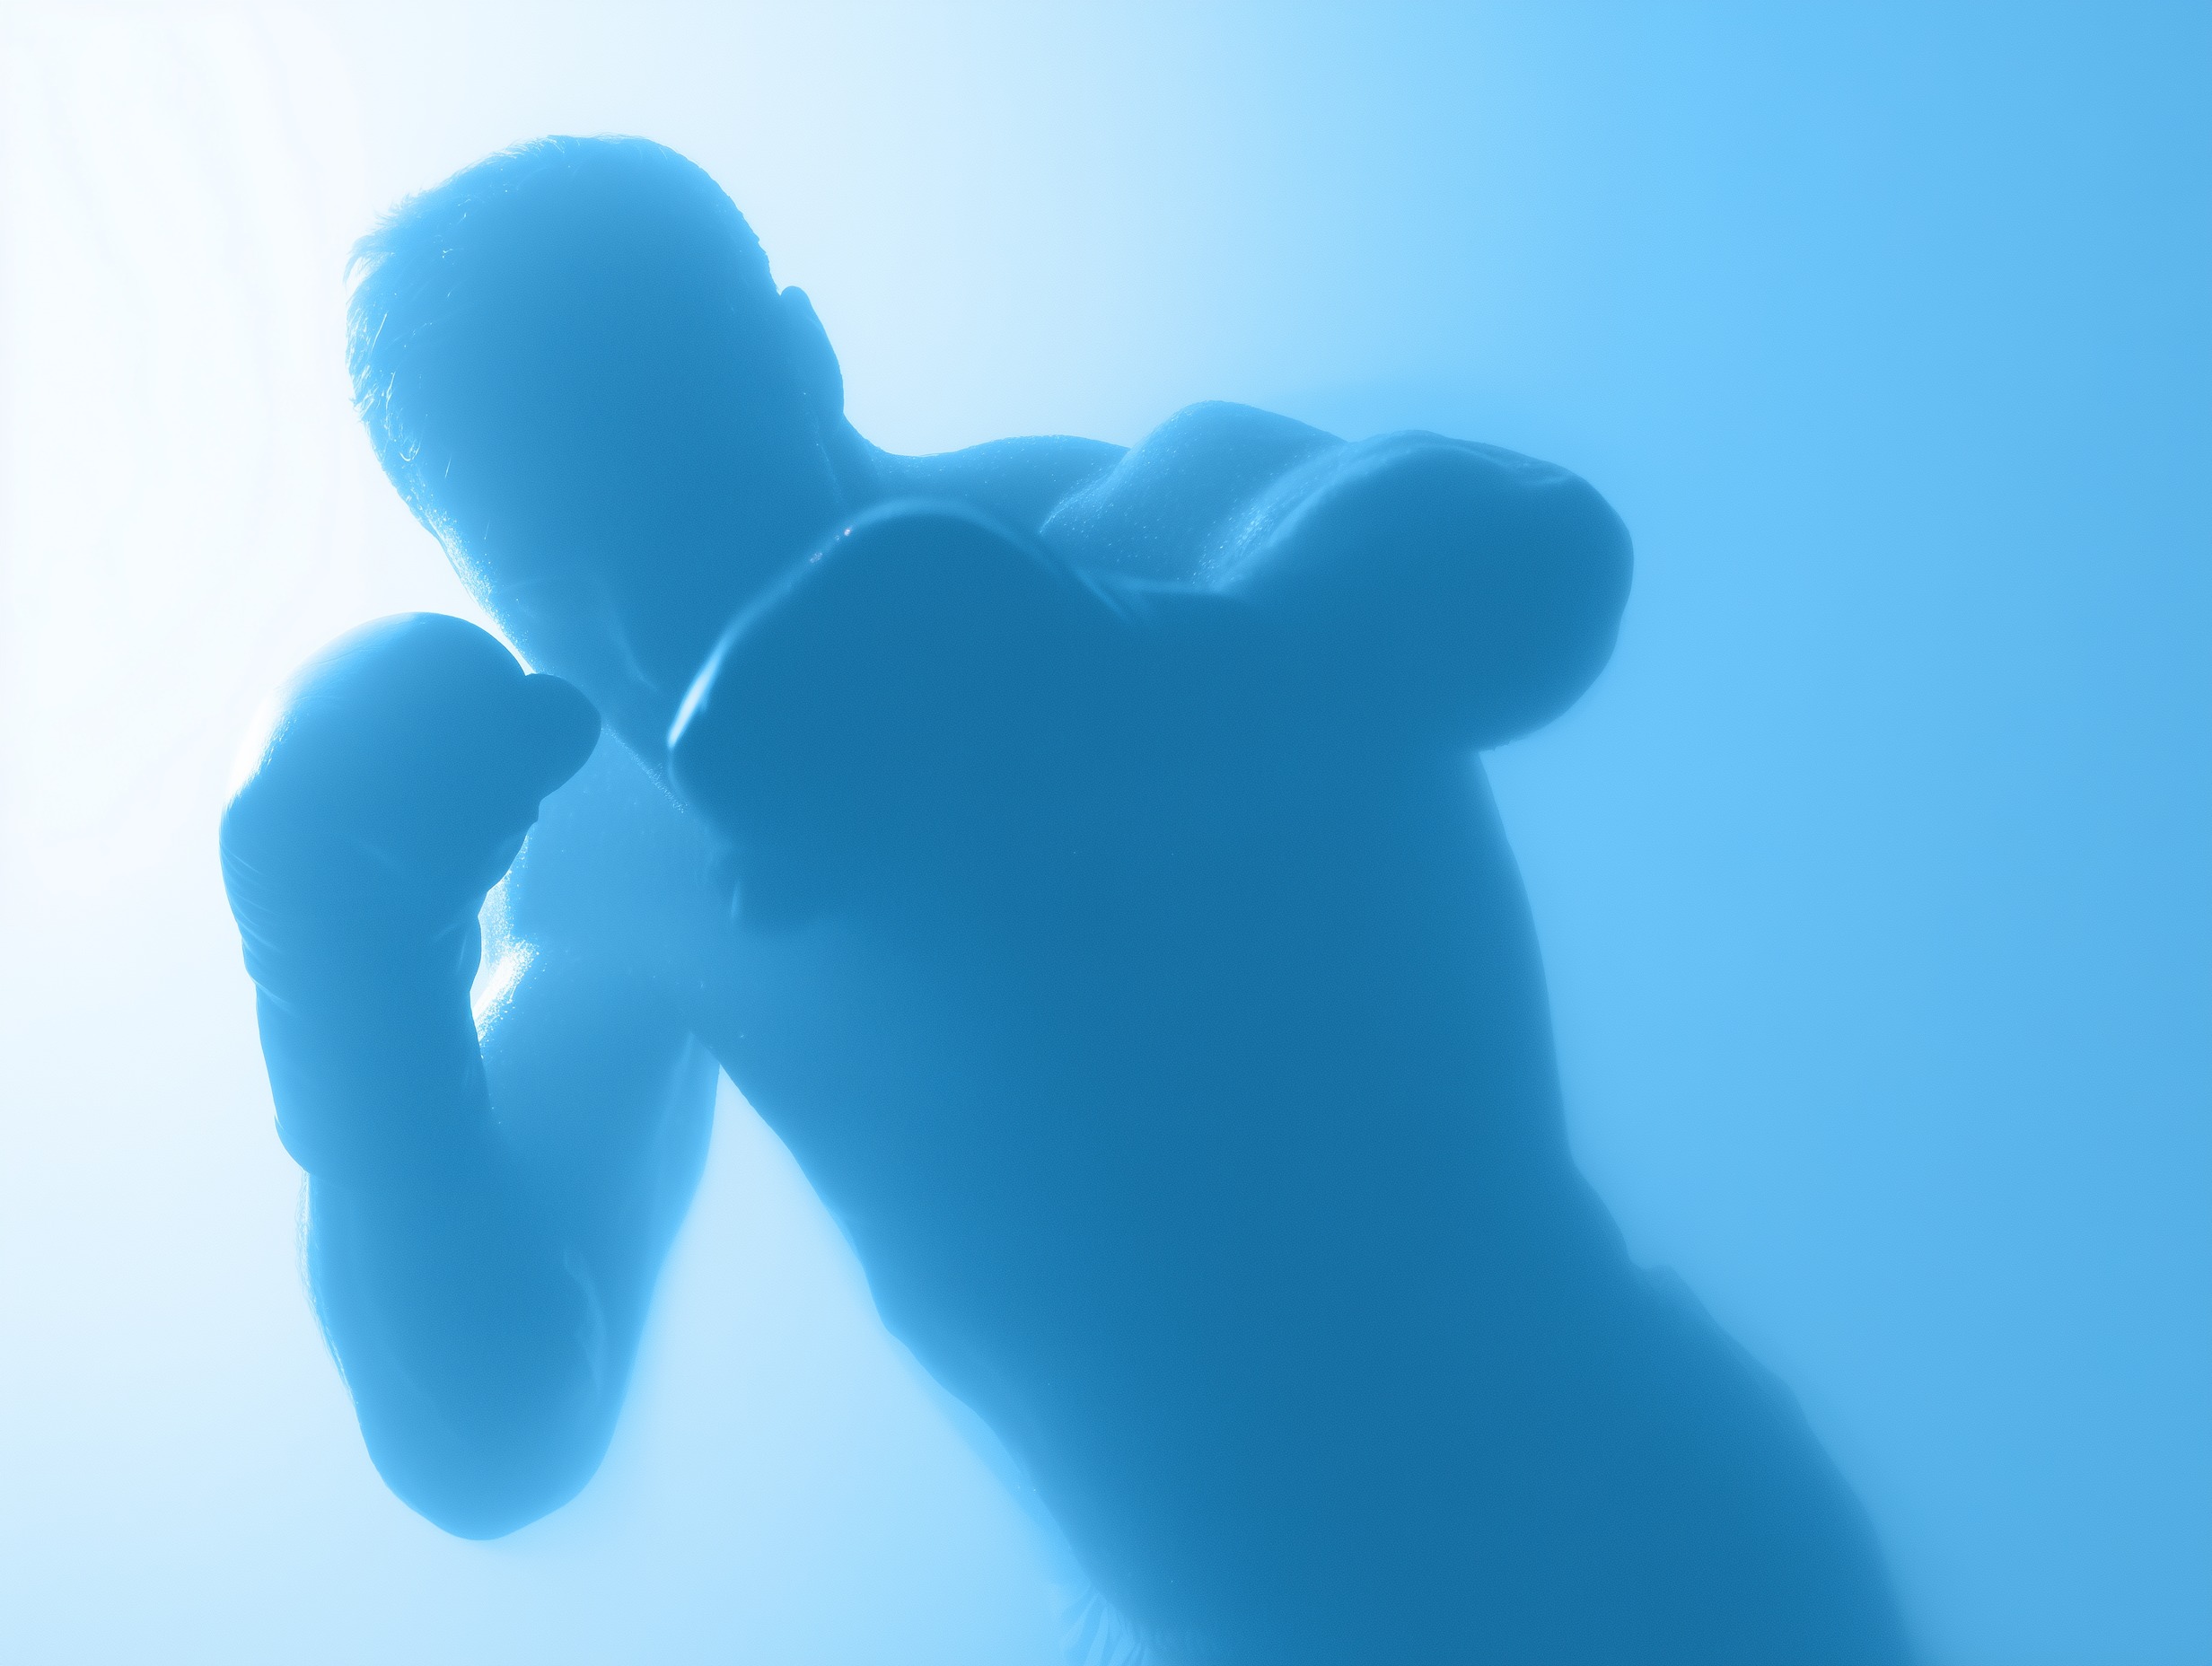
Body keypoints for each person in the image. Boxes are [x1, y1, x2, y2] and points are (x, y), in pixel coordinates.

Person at [220, 136, 1915, 1663]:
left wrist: (1131, 674)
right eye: (545, 590)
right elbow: (496, 1436)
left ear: (803, 359)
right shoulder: (603, 858)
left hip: (1654, 1567)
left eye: (687, 498)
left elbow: (1534, 551)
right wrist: (350, 1006)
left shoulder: (1142, 520)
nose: (658, 642)